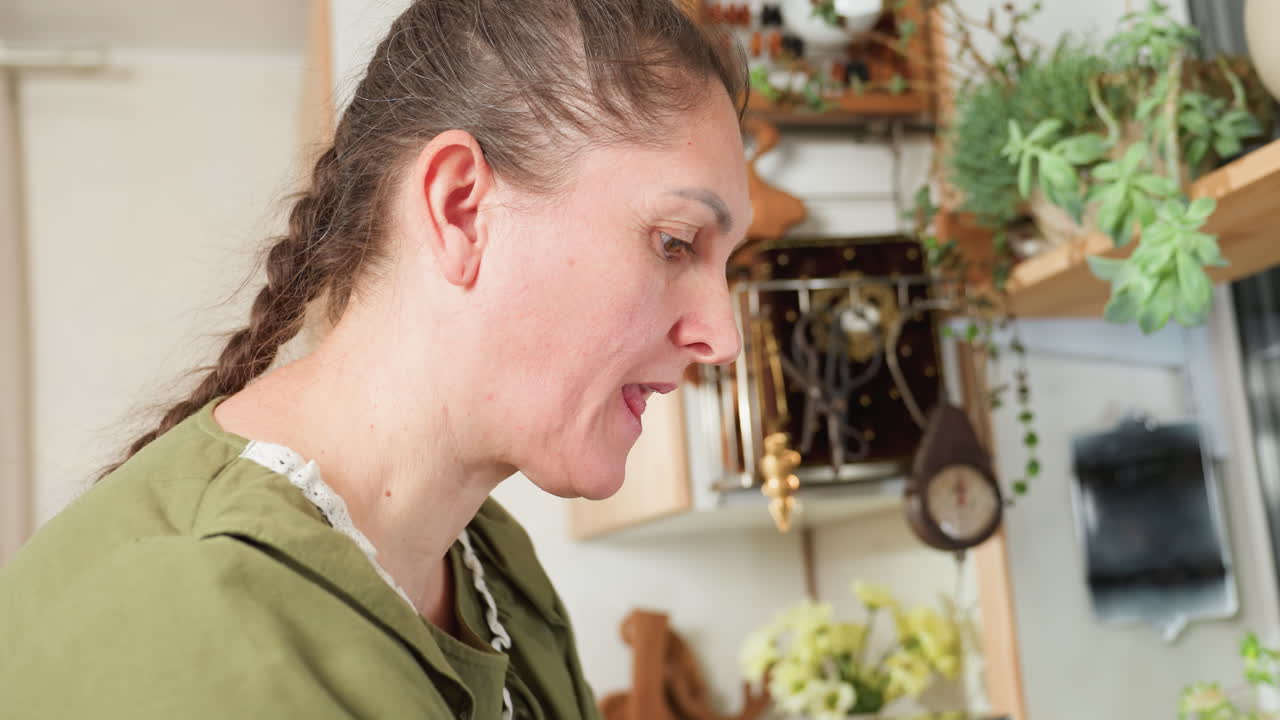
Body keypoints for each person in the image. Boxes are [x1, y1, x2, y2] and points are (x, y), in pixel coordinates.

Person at [0, 0, 750, 717]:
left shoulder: (491, 568)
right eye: (675, 242)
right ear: (462, 209)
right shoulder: (205, 612)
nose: (724, 335)